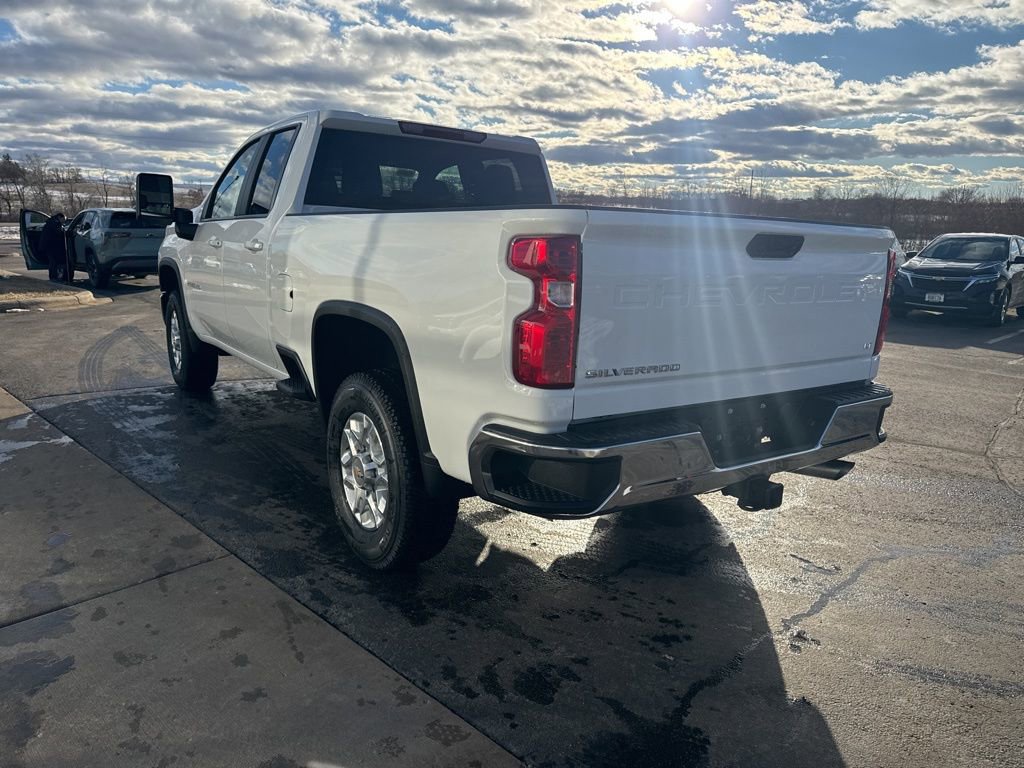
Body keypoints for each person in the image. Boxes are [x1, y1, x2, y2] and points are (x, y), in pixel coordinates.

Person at [40, 212, 69, 282]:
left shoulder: (51, 222)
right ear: (60, 217)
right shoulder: (55, 224)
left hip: (49, 245)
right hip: (51, 246)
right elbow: (59, 233)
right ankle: (53, 277)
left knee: (53, 262)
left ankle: (53, 277)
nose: (64, 221)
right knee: (53, 262)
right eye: (63, 219)